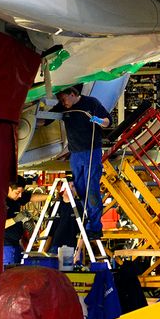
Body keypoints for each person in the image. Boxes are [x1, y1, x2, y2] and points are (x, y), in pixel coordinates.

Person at [55, 84, 110, 239]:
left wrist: (98, 120)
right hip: (75, 154)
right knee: (80, 189)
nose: (62, 102)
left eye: (63, 98)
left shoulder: (91, 103)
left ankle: (95, 227)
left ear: (72, 94)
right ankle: (88, 220)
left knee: (91, 188)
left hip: (92, 151)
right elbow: (45, 120)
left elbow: (108, 121)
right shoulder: (64, 107)